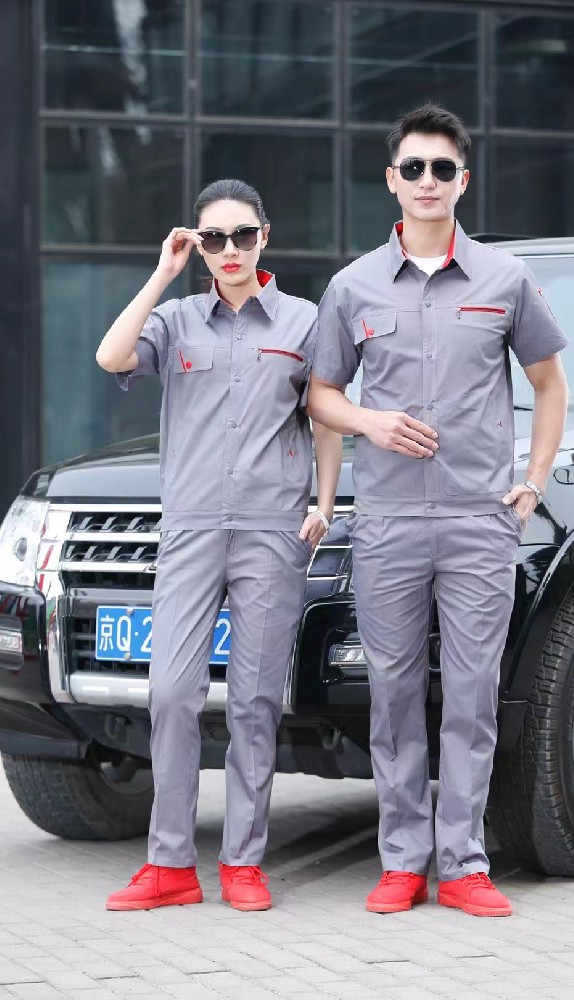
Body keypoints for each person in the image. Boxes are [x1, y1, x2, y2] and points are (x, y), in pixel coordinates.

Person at [307, 104, 569, 917]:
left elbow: (550, 385)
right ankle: (401, 862)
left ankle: (463, 864)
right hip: (386, 523)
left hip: (476, 522)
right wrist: (371, 422)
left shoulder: (505, 280)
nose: (428, 181)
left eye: (442, 168)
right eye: (413, 168)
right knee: (390, 693)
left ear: (463, 180)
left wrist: (532, 481)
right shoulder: (352, 286)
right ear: (393, 180)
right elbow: (320, 395)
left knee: (471, 694)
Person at [96, 179, 341, 912]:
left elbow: (325, 416)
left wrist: (324, 503)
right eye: (213, 238)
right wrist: (161, 273)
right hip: (192, 529)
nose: (229, 250)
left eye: (241, 235)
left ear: (264, 237)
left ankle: (243, 862)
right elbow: (111, 357)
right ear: (197, 246)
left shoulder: (304, 321)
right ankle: (170, 864)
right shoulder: (175, 321)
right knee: (172, 693)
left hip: (272, 530)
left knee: (255, 701)